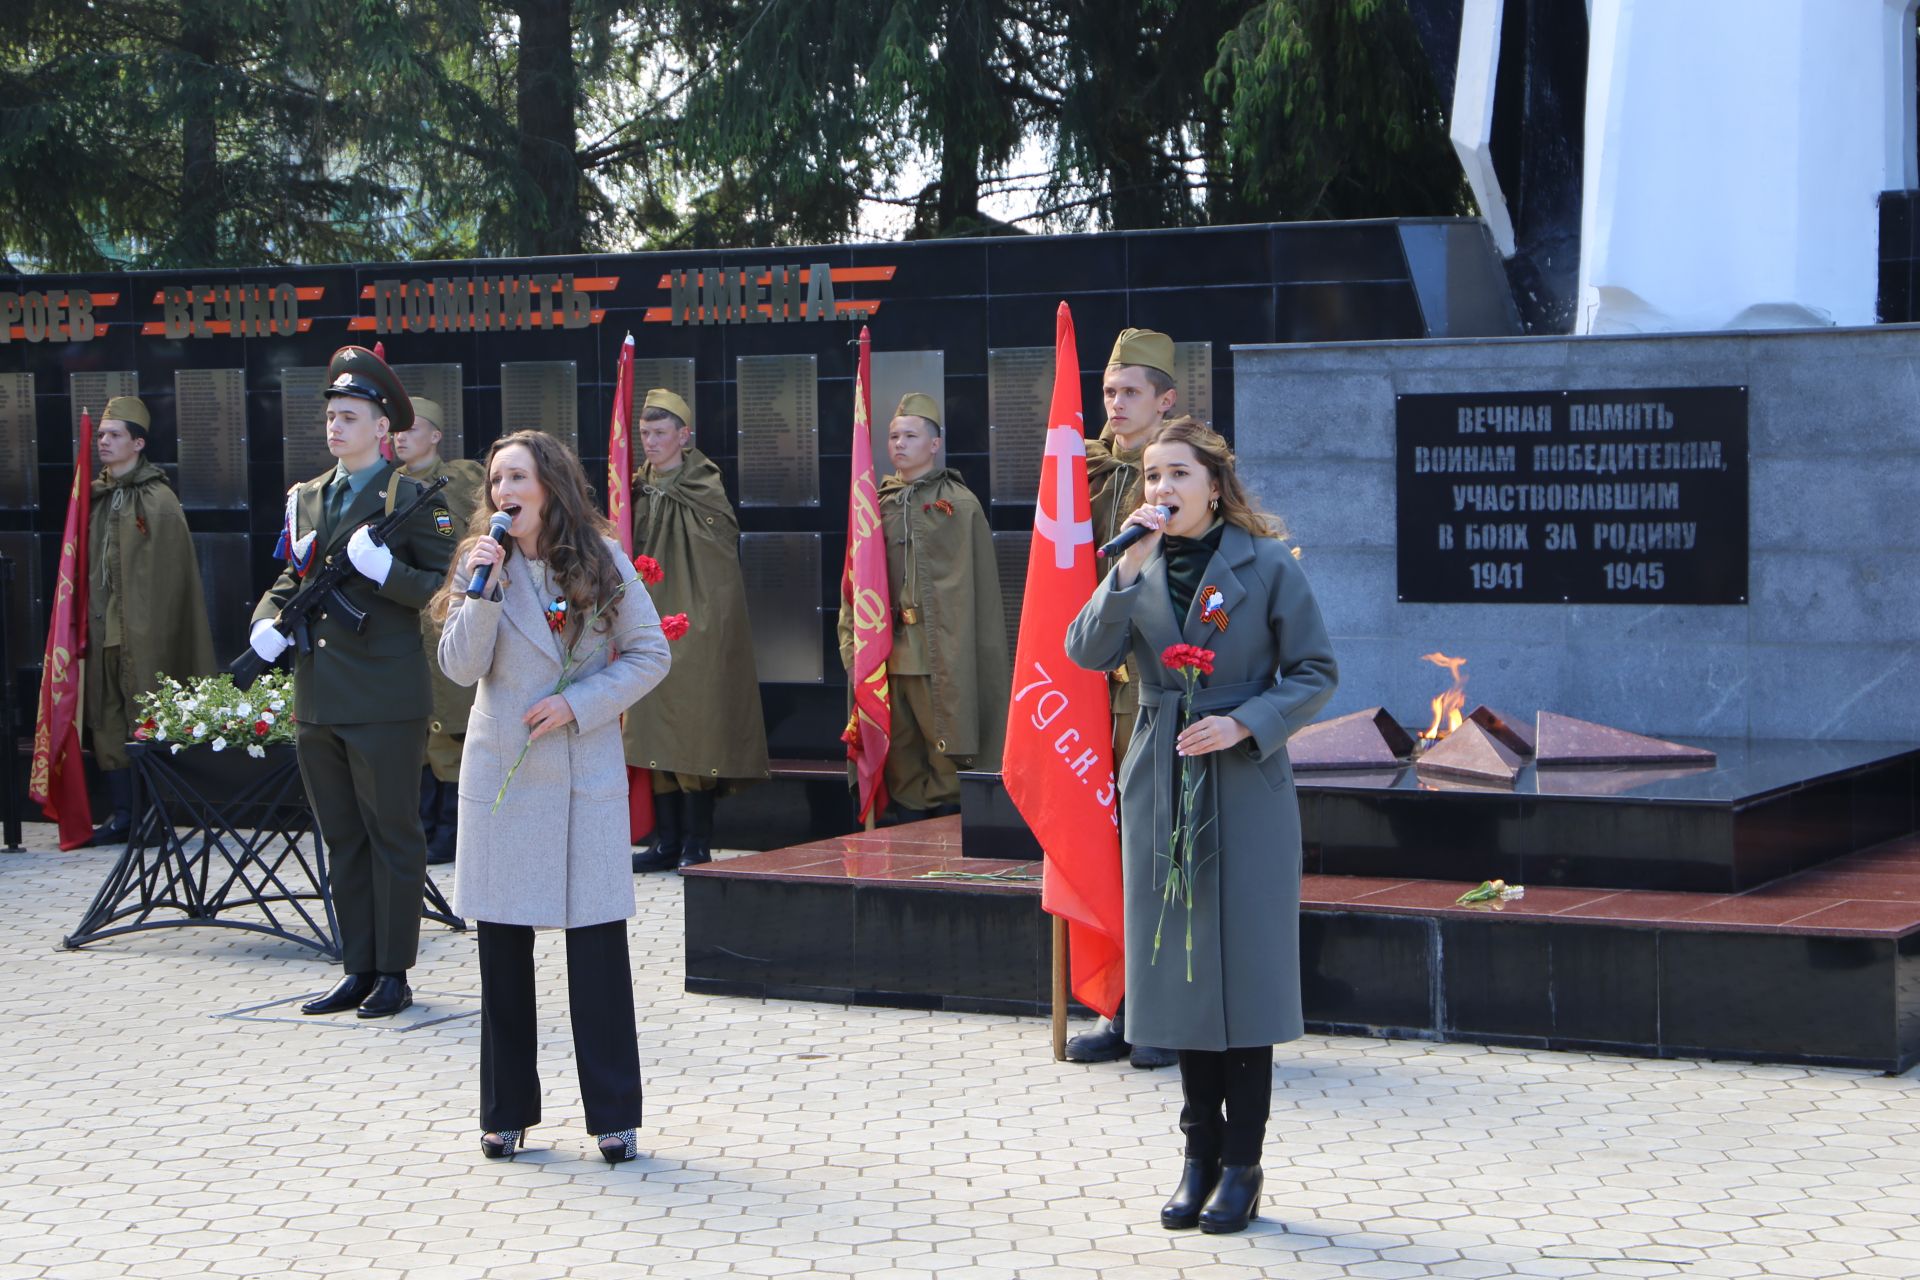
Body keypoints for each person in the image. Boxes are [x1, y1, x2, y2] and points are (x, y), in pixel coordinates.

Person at [1065, 417, 1337, 1235]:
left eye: (1178, 475)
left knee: (1243, 974)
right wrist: (1125, 570)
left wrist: (1248, 721)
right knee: (1180, 972)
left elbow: (1317, 671)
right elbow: (1083, 651)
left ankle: (1243, 1166)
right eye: (1151, 477)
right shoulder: (1133, 562)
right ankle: (1197, 1156)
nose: (1162, 491)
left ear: (1214, 485)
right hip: (1161, 777)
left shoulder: (1268, 563)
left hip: (1244, 781)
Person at [434, 430, 671, 1164]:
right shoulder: (482, 565)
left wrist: (581, 703)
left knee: (596, 953)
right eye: (497, 480)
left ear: (550, 487)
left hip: (579, 775)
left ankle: (614, 1117)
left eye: (518, 477)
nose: (504, 491)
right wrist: (481, 591)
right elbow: (457, 667)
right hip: (503, 781)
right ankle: (506, 1113)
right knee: (502, 955)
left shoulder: (601, 564)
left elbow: (650, 653)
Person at [248, 346, 456, 1020]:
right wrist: (267, 620)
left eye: (349, 417)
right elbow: (293, 579)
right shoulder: (308, 497)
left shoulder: (414, 498)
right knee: (340, 836)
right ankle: (356, 966)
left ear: (381, 431)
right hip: (319, 695)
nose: (335, 428)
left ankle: (394, 970)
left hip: (385, 696)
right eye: (332, 416)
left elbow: (446, 588)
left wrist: (384, 572)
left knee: (392, 832)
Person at [1070, 327, 1181, 1069]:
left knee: (1161, 855)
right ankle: (1117, 1005)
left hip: (1159, 697)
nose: (1113, 404)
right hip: (1089, 694)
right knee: (1108, 854)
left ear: (1165, 400)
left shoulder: (1186, 477)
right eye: (1108, 392)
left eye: (1129, 392)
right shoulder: (1076, 472)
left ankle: (1170, 1014)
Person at [837, 393, 1008, 822]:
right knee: (900, 751)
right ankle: (911, 832)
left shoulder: (960, 505)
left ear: (935, 444)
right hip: (888, 653)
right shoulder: (874, 505)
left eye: (911, 435)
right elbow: (855, 582)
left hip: (941, 653)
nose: (899, 444)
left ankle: (949, 830)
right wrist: (852, 646)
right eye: (894, 435)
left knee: (947, 744)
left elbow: (977, 591)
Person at [621, 389, 768, 872]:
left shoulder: (704, 483)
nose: (651, 442)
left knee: (694, 727)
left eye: (661, 433)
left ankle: (697, 841)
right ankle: (666, 841)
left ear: (685, 436)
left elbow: (718, 557)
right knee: (653, 724)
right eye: (645, 433)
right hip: (646, 620)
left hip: (695, 622)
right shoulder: (632, 485)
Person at [82, 395, 216, 846]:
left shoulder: (158, 501)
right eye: (101, 434)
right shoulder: (93, 497)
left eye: (114, 435)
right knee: (107, 717)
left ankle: (153, 814)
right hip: (103, 630)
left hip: (146, 632)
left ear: (137, 443)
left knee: (147, 714)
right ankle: (123, 814)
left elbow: (173, 583)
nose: (104, 442)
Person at [390, 396, 486, 866]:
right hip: (405, 622)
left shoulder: (461, 484)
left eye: (412, 429)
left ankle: (451, 827)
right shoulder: (388, 487)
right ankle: (425, 824)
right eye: (396, 431)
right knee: (420, 731)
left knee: (451, 724)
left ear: (436, 436)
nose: (400, 438)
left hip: (447, 617)